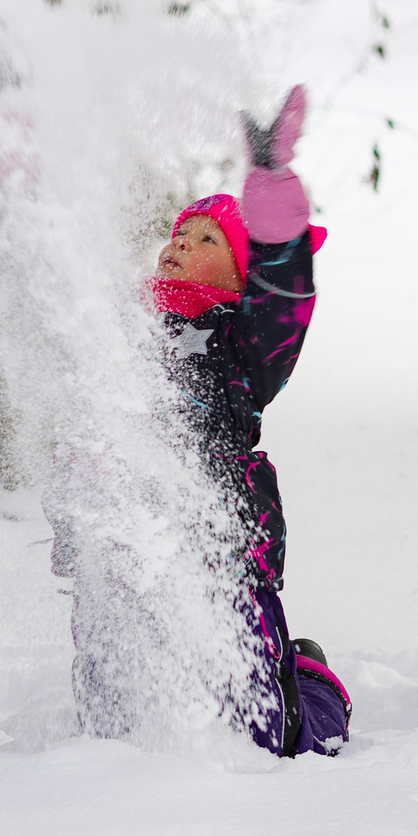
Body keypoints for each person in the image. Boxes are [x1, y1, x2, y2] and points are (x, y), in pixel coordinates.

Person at [68, 86, 351, 757]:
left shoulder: (240, 347)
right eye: (177, 235)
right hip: (122, 574)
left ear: (238, 275)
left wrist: (272, 186)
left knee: (265, 734)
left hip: (221, 564)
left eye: (205, 239)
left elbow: (285, 293)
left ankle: (313, 687)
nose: (179, 245)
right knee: (116, 729)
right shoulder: (119, 340)